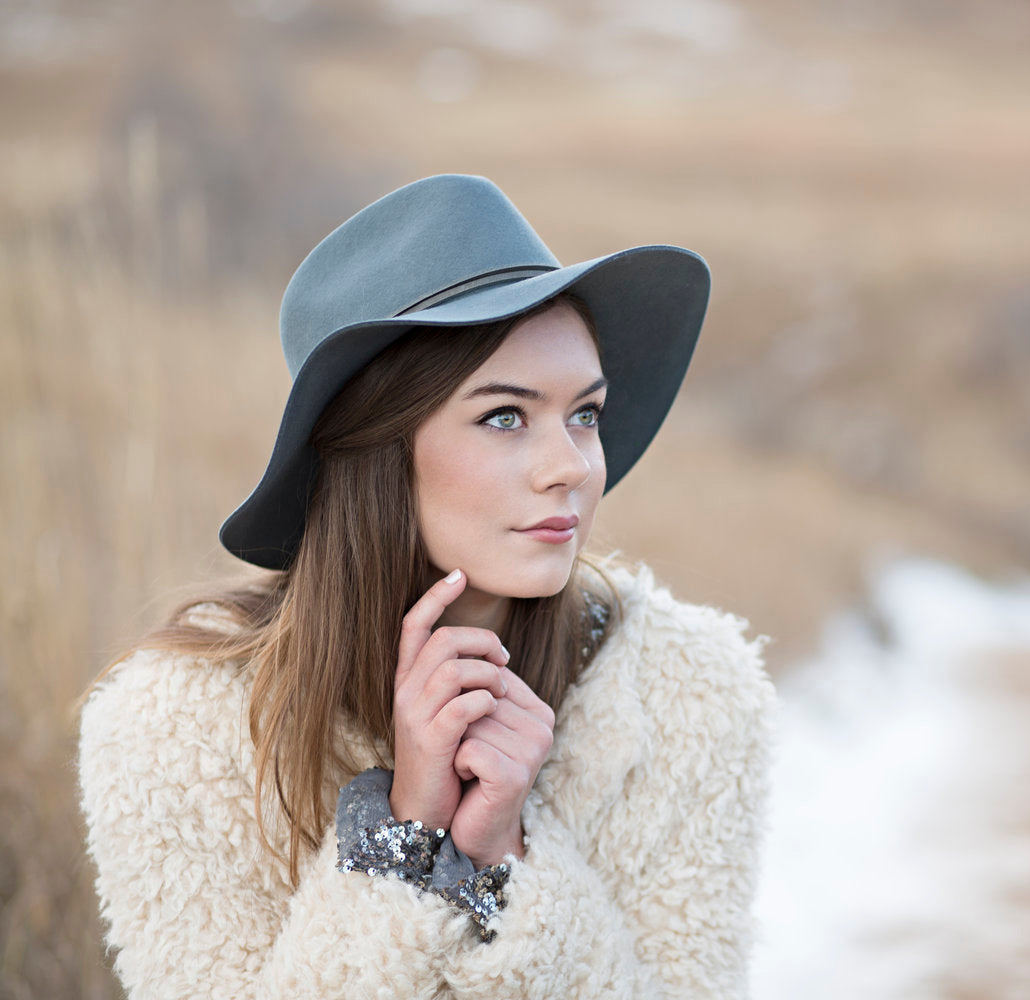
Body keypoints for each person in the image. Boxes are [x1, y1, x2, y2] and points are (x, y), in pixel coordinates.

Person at [77, 174, 776, 999]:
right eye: (506, 417)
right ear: (379, 451)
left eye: (585, 413)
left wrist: (501, 856)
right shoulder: (178, 727)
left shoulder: (687, 696)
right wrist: (402, 838)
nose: (573, 468)